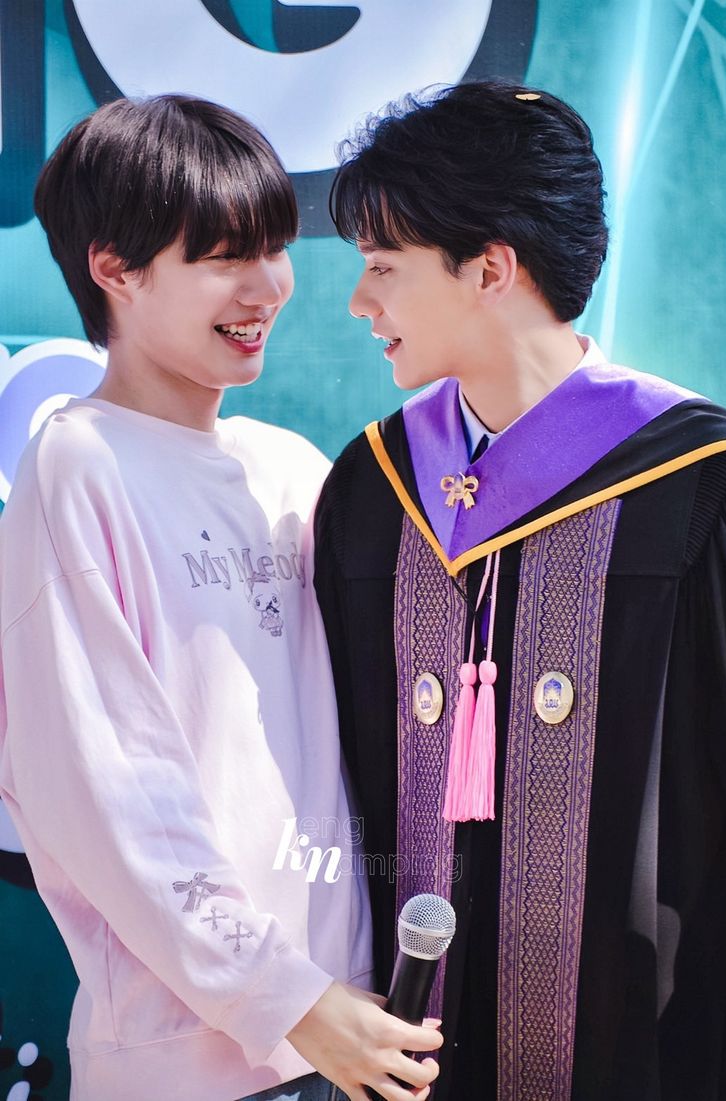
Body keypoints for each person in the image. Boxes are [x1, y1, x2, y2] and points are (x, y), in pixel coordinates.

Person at [0, 95, 442, 1101]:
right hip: (189, 1065)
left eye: (274, 249)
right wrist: (283, 997)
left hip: (351, 1030)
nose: (267, 286)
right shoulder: (79, 465)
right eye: (225, 257)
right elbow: (106, 791)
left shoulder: (289, 470)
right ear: (114, 268)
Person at [314, 80, 726, 1100]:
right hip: (400, 1051)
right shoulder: (372, 487)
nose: (360, 302)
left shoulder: (699, 484)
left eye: (382, 267)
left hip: (647, 1049)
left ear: (490, 269)